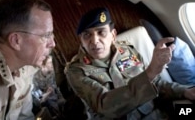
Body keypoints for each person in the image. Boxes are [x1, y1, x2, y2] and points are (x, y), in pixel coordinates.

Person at [65, 7, 195, 120]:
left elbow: (155, 83)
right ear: (81, 40)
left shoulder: (127, 50)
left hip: (157, 114)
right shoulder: (76, 70)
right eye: (87, 35)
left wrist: (184, 91)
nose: (94, 41)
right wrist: (150, 71)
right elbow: (106, 106)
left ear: (113, 35)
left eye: (101, 32)